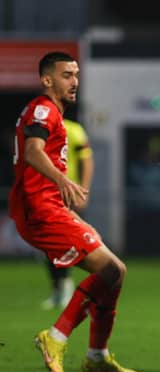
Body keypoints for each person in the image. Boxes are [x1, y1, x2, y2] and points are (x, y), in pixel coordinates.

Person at [9, 52, 137, 372]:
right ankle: (56, 337)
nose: (75, 81)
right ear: (47, 80)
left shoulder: (53, 113)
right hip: (40, 211)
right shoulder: (43, 109)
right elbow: (33, 152)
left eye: (76, 74)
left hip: (52, 207)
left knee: (116, 272)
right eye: (67, 74)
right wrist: (63, 180)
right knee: (109, 270)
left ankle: (97, 356)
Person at [41, 118, 94, 309]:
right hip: (45, 193)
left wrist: (84, 190)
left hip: (67, 193)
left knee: (69, 243)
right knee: (48, 245)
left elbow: (86, 159)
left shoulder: (72, 129)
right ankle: (58, 289)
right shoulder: (41, 129)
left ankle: (68, 287)